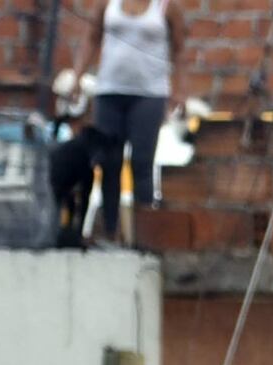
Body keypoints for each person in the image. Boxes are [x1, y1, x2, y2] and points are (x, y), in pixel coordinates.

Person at [83, 0, 181, 243]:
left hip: (150, 94)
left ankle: (144, 236)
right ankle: (110, 231)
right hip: (110, 91)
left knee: (142, 163)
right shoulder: (109, 4)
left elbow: (179, 47)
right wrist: (77, 75)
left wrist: (179, 87)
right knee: (109, 162)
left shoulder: (165, 7)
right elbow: (91, 38)